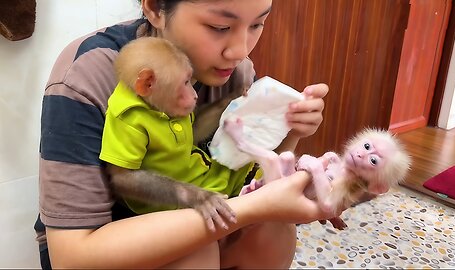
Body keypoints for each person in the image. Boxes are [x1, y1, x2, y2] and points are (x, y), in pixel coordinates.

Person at [34, 0, 337, 268]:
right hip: (106, 240)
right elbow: (71, 258)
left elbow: (250, 175)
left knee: (274, 232)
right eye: (220, 26)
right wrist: (247, 207)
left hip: (206, 201)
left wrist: (291, 132)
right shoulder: (87, 76)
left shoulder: (234, 72)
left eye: (258, 23)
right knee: (195, 254)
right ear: (154, 8)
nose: (240, 51)